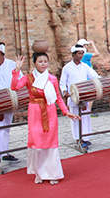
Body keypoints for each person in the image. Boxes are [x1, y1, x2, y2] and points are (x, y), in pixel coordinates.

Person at [12, 53, 80, 184]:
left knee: (50, 144)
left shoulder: (52, 79)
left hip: (50, 111)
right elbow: (14, 86)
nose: (43, 64)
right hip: (35, 111)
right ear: (34, 63)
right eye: (40, 61)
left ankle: (52, 174)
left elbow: (58, 98)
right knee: (37, 144)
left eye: (45, 61)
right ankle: (39, 172)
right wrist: (16, 70)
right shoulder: (28, 78)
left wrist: (66, 112)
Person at [59, 44, 99, 150]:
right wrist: (64, 92)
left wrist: (102, 81)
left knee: (85, 116)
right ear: (73, 54)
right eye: (79, 53)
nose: (81, 55)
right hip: (73, 96)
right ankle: (78, 138)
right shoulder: (67, 68)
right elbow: (62, 83)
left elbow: (94, 76)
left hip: (84, 95)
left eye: (82, 53)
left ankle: (85, 138)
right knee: (75, 117)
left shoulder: (85, 66)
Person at [77, 39, 100, 117]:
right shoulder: (85, 54)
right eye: (86, 45)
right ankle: (88, 111)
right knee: (92, 95)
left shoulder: (79, 56)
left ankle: (86, 110)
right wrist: (93, 44)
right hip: (88, 78)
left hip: (83, 77)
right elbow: (97, 54)